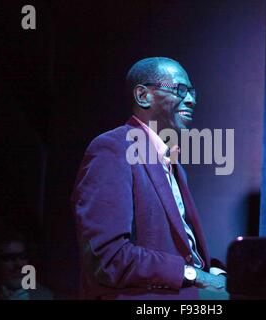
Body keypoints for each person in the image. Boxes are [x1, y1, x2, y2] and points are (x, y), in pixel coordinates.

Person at [71, 57, 227, 299]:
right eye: (181, 90)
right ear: (143, 96)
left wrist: (214, 272)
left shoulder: (172, 162)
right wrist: (196, 276)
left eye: (193, 92)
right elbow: (108, 258)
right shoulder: (112, 148)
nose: (192, 100)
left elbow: (185, 249)